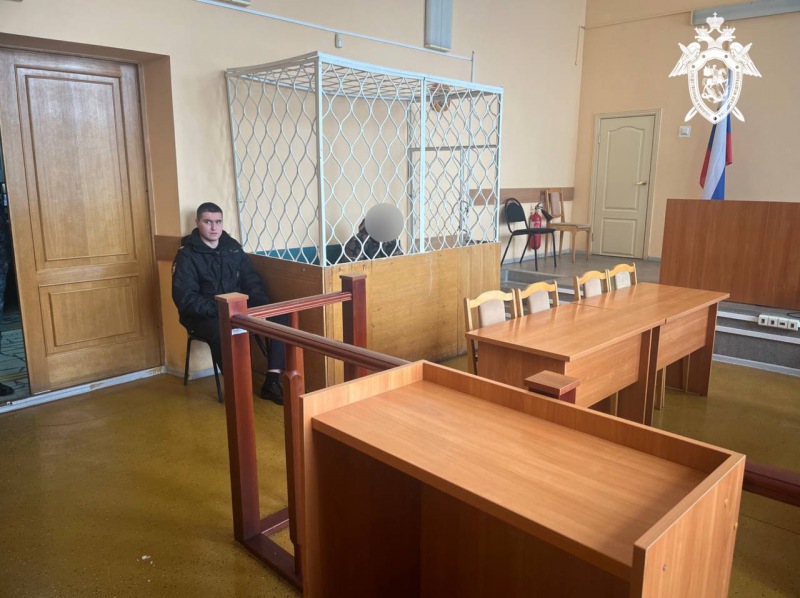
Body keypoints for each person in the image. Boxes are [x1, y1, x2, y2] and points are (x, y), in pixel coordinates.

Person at [172, 202, 286, 404]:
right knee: (222, 330)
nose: (214, 227)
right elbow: (186, 298)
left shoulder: (232, 248)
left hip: (238, 309)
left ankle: (272, 381)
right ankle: (237, 388)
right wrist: (222, 310)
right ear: (197, 222)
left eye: (218, 222)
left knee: (280, 316)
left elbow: (252, 280)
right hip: (204, 317)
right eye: (208, 222)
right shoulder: (186, 255)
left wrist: (259, 307)